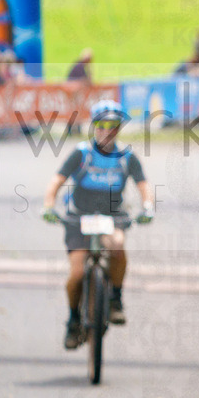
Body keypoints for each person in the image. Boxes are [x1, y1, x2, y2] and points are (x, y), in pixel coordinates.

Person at [41, 100, 154, 348]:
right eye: (102, 125)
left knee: (116, 245)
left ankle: (115, 298)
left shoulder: (127, 157)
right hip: (79, 216)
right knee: (77, 274)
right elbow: (56, 181)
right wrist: (49, 205)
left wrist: (148, 207)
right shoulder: (81, 153)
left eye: (113, 125)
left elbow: (143, 185)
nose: (107, 131)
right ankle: (73, 320)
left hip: (112, 216)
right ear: (94, 126)